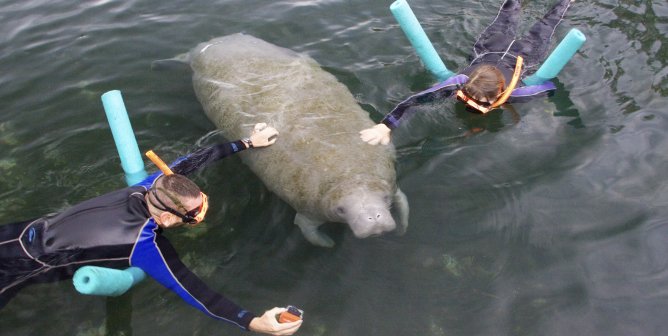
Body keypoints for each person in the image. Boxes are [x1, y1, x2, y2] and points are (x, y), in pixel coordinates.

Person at [0, 123, 302, 336]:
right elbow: (196, 292)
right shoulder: (145, 245)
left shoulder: (146, 187)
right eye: (196, 212)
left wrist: (248, 142)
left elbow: (192, 160)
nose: (200, 213)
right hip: (18, 271)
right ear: (169, 220)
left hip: (17, 232)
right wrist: (252, 322)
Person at [360, 0, 575, 145]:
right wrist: (385, 126)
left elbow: (549, 88)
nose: (469, 103)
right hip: (490, 46)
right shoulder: (459, 81)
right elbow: (416, 100)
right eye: (466, 97)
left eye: (478, 104)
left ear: (498, 97)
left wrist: (547, 100)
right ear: (464, 85)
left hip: (525, 56)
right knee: (509, 12)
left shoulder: (517, 95)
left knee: (548, 24)